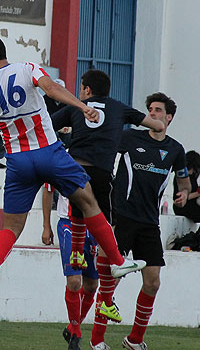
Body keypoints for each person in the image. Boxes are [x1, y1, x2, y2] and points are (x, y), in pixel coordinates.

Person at [0, 35, 145, 314]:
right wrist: (81, 106)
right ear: (4, 53)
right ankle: (116, 260)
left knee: (11, 227)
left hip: (17, 160)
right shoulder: (27, 68)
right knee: (88, 200)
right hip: (49, 153)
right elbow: (50, 89)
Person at [50, 69, 164, 346]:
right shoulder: (118, 108)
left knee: (78, 211)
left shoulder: (75, 107)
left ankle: (77, 255)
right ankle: (108, 294)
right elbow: (156, 125)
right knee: (103, 224)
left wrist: (68, 129)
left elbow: (48, 124)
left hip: (75, 169)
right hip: (101, 173)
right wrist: (149, 124)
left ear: (87, 90)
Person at [103, 92, 190, 350]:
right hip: (123, 218)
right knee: (111, 280)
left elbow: (183, 181)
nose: (152, 113)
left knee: (152, 283)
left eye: (158, 110)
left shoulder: (175, 150)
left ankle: (135, 340)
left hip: (150, 223)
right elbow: (106, 151)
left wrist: (183, 193)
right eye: (150, 109)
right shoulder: (129, 137)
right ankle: (96, 339)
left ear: (169, 117)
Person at [42, 184, 99, 350]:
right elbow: (48, 191)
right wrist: (46, 226)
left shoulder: (98, 158)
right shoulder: (59, 157)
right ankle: (76, 334)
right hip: (68, 224)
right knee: (74, 281)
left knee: (92, 285)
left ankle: (71, 328)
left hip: (92, 223)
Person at [173, 150, 200, 222]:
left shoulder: (193, 178)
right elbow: (179, 198)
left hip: (192, 206)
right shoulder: (182, 178)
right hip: (183, 207)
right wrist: (198, 193)